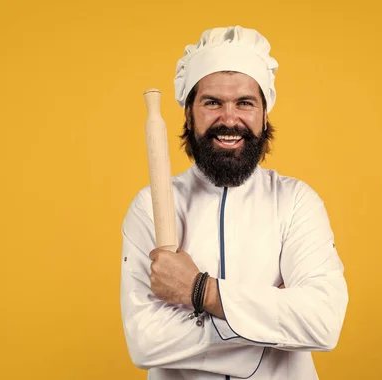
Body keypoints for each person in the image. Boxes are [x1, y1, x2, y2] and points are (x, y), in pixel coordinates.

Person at [120, 25, 349, 380]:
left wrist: (201, 291)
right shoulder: (151, 206)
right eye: (212, 102)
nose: (229, 119)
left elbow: (322, 323)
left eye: (245, 103)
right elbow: (146, 343)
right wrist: (271, 321)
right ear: (189, 114)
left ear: (264, 115)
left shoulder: (296, 202)